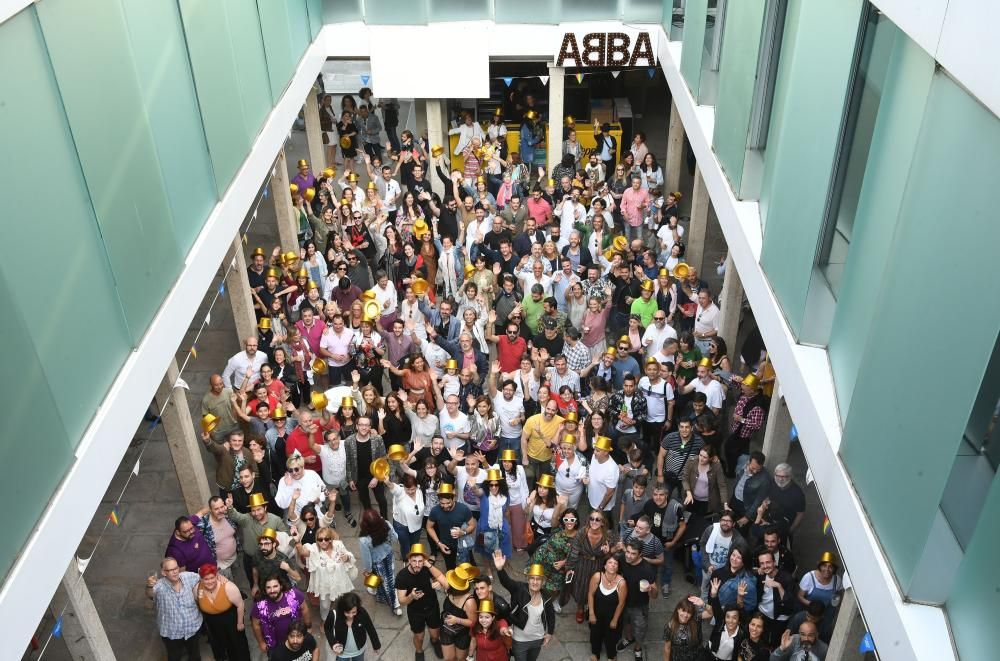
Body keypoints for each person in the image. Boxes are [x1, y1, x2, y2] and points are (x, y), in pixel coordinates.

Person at [492, 551, 555, 661]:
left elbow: (551, 615)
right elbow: (506, 582)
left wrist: (549, 633)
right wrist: (500, 569)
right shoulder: (519, 589)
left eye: (538, 579)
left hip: (537, 639)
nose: (535, 582)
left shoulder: (546, 596)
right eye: (532, 578)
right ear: (528, 579)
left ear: (543, 582)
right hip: (520, 640)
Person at [395, 543, 448, 661]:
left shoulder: (427, 568)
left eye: (420, 561)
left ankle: (435, 642)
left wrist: (437, 582)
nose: (417, 564)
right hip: (415, 611)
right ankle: (419, 651)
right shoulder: (402, 576)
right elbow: (402, 601)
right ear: (409, 560)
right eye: (414, 561)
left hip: (432, 607)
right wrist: (412, 597)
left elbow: (445, 583)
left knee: (435, 635)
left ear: (424, 560)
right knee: (419, 637)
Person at [293, 524, 356, 621]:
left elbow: (348, 557)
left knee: (340, 601)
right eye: (320, 539)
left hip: (339, 581)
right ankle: (325, 621)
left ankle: (339, 615)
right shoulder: (314, 549)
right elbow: (303, 552)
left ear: (330, 539)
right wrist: (297, 541)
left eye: (326, 539)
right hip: (324, 585)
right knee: (325, 606)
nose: (323, 542)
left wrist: (347, 558)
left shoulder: (338, 545)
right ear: (316, 540)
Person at [146, 557, 203, 661]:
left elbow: (205, 576)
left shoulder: (188, 576)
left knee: (195, 655)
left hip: (192, 627)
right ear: (163, 573)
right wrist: (149, 586)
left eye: (176, 568)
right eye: (170, 570)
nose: (175, 572)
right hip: (172, 632)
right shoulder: (159, 586)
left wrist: (220, 578)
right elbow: (150, 594)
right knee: (174, 657)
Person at [639, 483, 689, 597]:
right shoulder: (649, 504)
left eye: (661, 495)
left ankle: (665, 583)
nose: (658, 497)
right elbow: (644, 517)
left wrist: (673, 542)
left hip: (667, 543)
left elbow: (682, 526)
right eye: (655, 494)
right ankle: (652, 581)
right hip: (651, 540)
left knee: (667, 565)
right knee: (650, 562)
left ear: (666, 495)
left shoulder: (675, 507)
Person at [193, 564, 251, 661]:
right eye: (206, 579)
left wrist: (240, 623)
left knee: (237, 644)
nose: (209, 581)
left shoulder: (228, 587)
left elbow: (240, 604)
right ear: (201, 579)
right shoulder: (197, 589)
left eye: (212, 578)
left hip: (230, 618)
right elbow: (197, 602)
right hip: (212, 622)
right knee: (219, 644)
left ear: (217, 576)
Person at [616, 540, 658, 660]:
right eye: (627, 552)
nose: (629, 556)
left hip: (639, 606)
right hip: (623, 601)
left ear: (640, 555)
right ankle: (629, 639)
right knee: (626, 623)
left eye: (633, 553)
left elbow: (655, 595)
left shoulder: (646, 569)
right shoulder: (623, 559)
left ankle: (638, 648)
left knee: (640, 630)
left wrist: (650, 589)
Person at [251, 576, 312, 657]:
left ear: (281, 586)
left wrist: (308, 627)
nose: (272, 590)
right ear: (265, 590)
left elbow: (304, 609)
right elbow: (256, 625)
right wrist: (261, 642)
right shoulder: (260, 605)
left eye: (275, 586)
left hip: (296, 638)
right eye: (268, 587)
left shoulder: (293, 594)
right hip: (274, 644)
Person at [358, 507, 403, 615]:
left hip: (376, 562)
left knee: (383, 581)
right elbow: (395, 538)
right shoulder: (386, 524)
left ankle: (395, 604)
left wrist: (367, 570)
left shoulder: (364, 540)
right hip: (389, 555)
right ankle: (394, 603)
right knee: (390, 577)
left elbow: (366, 558)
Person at [345, 415, 389, 519]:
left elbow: (383, 459)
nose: (364, 427)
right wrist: (350, 479)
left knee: (382, 500)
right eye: (361, 425)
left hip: (375, 475)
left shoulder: (377, 439)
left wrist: (376, 478)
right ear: (356, 426)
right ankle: (371, 520)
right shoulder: (348, 441)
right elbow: (348, 462)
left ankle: (385, 521)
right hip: (359, 477)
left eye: (366, 425)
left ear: (370, 427)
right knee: (365, 501)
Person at [697, 511, 747, 601]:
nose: (725, 523)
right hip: (708, 568)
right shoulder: (711, 529)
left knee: (718, 592)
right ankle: (702, 608)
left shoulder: (738, 540)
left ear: (734, 524)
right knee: (704, 588)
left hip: (724, 572)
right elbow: (703, 544)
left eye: (729, 521)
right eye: (723, 520)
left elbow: (742, 557)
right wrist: (707, 564)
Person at [427, 483, 477, 569]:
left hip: (463, 544)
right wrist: (439, 543)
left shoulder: (463, 509)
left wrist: (463, 532)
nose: (445, 506)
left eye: (448, 503)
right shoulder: (435, 511)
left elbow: (472, 525)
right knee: (451, 569)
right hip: (446, 546)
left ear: (454, 498)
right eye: (442, 503)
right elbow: (429, 527)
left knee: (469, 568)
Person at [587, 555, 628, 661]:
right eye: (610, 562)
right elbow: (590, 594)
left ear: (618, 568)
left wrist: (615, 620)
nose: (613, 565)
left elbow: (621, 604)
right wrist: (591, 613)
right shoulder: (597, 576)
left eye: (615, 563)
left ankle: (611, 656)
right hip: (597, 614)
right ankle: (595, 654)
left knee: (611, 638)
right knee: (595, 635)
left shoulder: (621, 583)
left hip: (612, 616)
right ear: (605, 566)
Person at [755, 549, 795, 649]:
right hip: (762, 612)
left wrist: (778, 586)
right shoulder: (760, 575)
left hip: (779, 617)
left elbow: (789, 603)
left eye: (768, 562)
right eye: (762, 563)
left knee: (774, 643)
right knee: (759, 639)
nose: (765, 566)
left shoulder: (787, 578)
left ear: (774, 562)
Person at [324, 592, 382, 661]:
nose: (351, 616)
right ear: (342, 609)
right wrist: (333, 643)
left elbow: (370, 627)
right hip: (341, 653)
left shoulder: (362, 612)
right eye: (347, 612)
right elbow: (327, 628)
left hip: (359, 651)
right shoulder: (333, 615)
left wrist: (376, 645)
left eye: (354, 612)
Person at [681, 445, 730, 518]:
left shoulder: (716, 466)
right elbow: (685, 478)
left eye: (705, 457)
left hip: (706, 501)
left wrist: (725, 504)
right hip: (691, 498)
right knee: (688, 517)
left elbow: (722, 485)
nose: (701, 459)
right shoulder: (691, 461)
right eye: (700, 455)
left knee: (701, 520)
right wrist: (688, 492)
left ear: (711, 458)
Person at [585, 436, 619, 528]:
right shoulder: (595, 457)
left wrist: (600, 508)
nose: (594, 452)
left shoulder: (611, 469)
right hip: (592, 498)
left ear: (606, 452)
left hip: (603, 506)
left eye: (598, 451)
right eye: (595, 449)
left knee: (603, 526)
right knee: (591, 522)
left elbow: (610, 492)